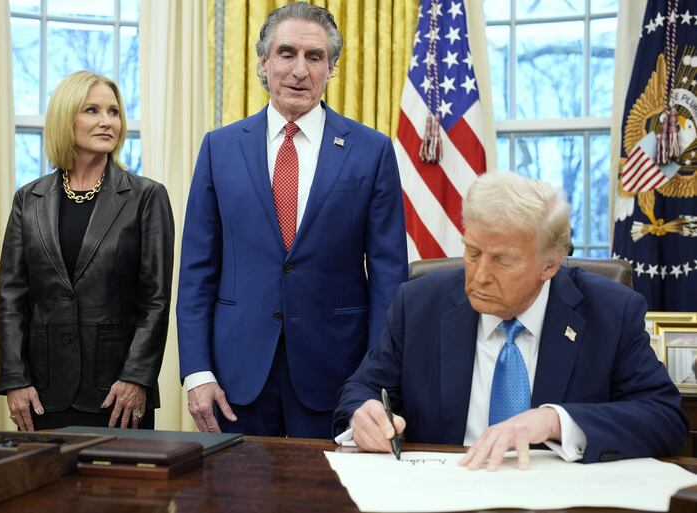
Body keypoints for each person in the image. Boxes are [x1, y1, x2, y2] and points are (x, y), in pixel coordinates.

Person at [333, 171, 687, 469]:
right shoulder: (419, 304)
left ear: (550, 263)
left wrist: (553, 421)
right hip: (447, 491)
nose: (479, 275)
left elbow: (665, 419)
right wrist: (364, 416)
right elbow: (361, 391)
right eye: (472, 252)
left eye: (503, 261)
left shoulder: (610, 311)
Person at [177, 1, 407, 438]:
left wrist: (377, 379)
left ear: (332, 68)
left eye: (314, 56)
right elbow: (196, 271)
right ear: (264, 63)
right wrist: (196, 371)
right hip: (235, 377)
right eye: (286, 54)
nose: (300, 70)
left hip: (337, 375)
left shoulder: (371, 151)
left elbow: (388, 275)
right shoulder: (219, 148)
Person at [0, 71, 174, 431]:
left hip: (117, 393)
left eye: (113, 112)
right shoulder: (28, 200)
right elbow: (11, 298)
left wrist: (137, 377)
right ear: (66, 118)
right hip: (43, 394)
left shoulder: (146, 197)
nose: (107, 121)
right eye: (92, 110)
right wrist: (16, 379)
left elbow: (155, 299)